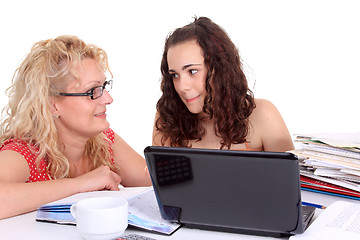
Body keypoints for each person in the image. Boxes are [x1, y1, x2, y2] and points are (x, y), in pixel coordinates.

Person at [0, 35, 151, 220]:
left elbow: (159, 186)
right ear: (53, 105)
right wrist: (80, 185)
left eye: (103, 86)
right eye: (92, 92)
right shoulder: (26, 152)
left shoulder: (103, 140)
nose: (108, 99)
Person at [152, 17, 294, 152]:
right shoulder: (168, 117)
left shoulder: (263, 115)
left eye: (192, 71)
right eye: (174, 75)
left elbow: (292, 177)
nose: (182, 87)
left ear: (220, 69)